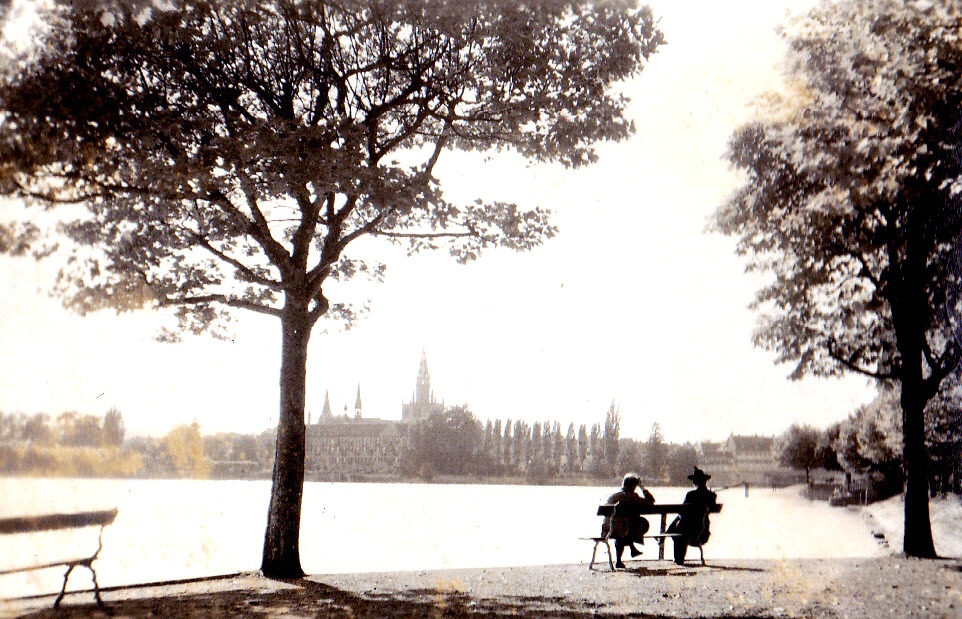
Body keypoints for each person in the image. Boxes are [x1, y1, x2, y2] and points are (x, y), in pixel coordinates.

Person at [602, 473, 655, 568]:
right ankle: (631, 549)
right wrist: (642, 488)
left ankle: (627, 553)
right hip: (624, 530)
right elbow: (651, 501)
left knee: (627, 525)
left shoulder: (613, 496)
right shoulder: (634, 497)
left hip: (608, 529)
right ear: (634, 486)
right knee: (639, 523)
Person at [668, 467, 718, 565]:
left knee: (679, 529)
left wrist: (670, 527)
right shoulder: (711, 496)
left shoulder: (690, 495)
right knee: (681, 528)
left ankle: (679, 558)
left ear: (695, 482)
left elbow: (682, 511)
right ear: (705, 481)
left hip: (688, 530)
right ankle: (678, 557)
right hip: (703, 531)